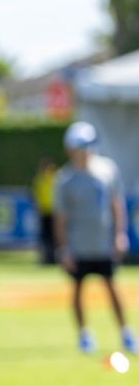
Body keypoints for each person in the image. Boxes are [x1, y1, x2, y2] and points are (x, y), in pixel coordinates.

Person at [54, 121, 135, 354]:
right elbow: (61, 218)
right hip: (79, 245)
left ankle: (126, 334)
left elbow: (117, 204)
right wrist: (64, 248)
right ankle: (85, 335)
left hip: (103, 244)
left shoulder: (107, 170)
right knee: (78, 290)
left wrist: (120, 234)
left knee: (112, 287)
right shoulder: (65, 178)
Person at [32, 156, 58, 266]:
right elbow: (36, 195)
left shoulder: (55, 178)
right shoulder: (40, 179)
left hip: (54, 212)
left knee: (54, 237)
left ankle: (55, 258)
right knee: (45, 237)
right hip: (44, 212)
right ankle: (47, 258)